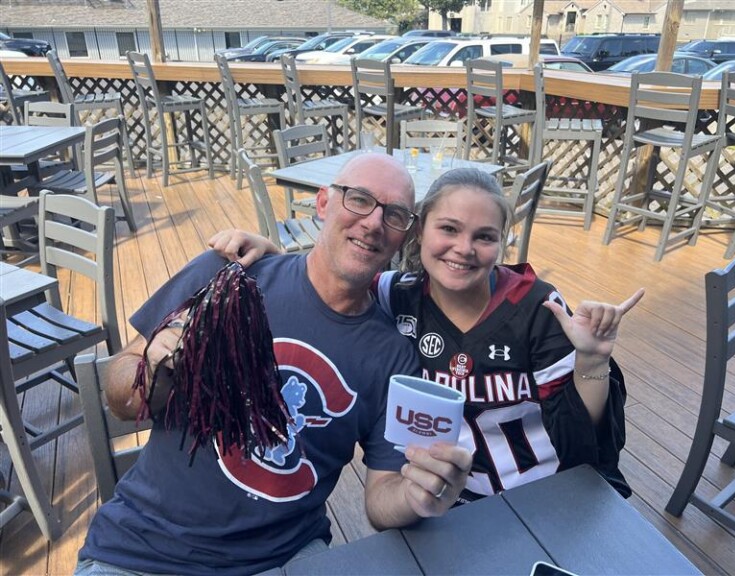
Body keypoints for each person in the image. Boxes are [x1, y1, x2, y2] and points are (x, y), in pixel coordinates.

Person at [75, 153, 473, 576]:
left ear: (403, 235)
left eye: (393, 214)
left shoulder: (392, 356)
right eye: (359, 199)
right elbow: (119, 396)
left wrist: (416, 495)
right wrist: (151, 370)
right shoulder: (228, 274)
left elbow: (380, 499)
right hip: (143, 552)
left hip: (281, 559)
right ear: (323, 203)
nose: (373, 222)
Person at [210, 167, 644, 503]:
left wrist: (591, 361)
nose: (464, 248)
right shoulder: (395, 294)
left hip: (547, 493)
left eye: (484, 237)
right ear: (419, 232)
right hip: (453, 501)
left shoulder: (537, 306)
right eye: (449, 229)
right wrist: (274, 256)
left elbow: (583, 440)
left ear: (501, 244)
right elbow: (330, 277)